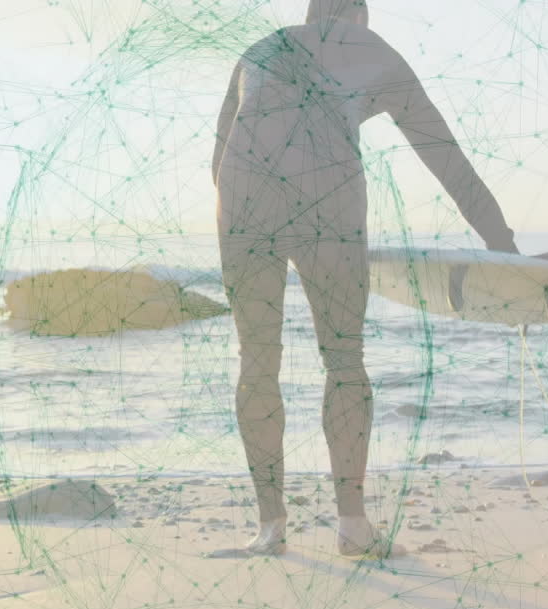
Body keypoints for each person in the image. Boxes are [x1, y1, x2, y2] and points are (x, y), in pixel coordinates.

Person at [212, 0, 520, 558]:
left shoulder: (258, 51)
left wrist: (252, 212)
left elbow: (218, 159)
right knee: (344, 360)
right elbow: (444, 158)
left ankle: (270, 527)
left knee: (257, 359)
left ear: (309, 14)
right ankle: (352, 527)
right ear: (357, 15)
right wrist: (504, 248)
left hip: (241, 200)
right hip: (327, 196)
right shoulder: (371, 49)